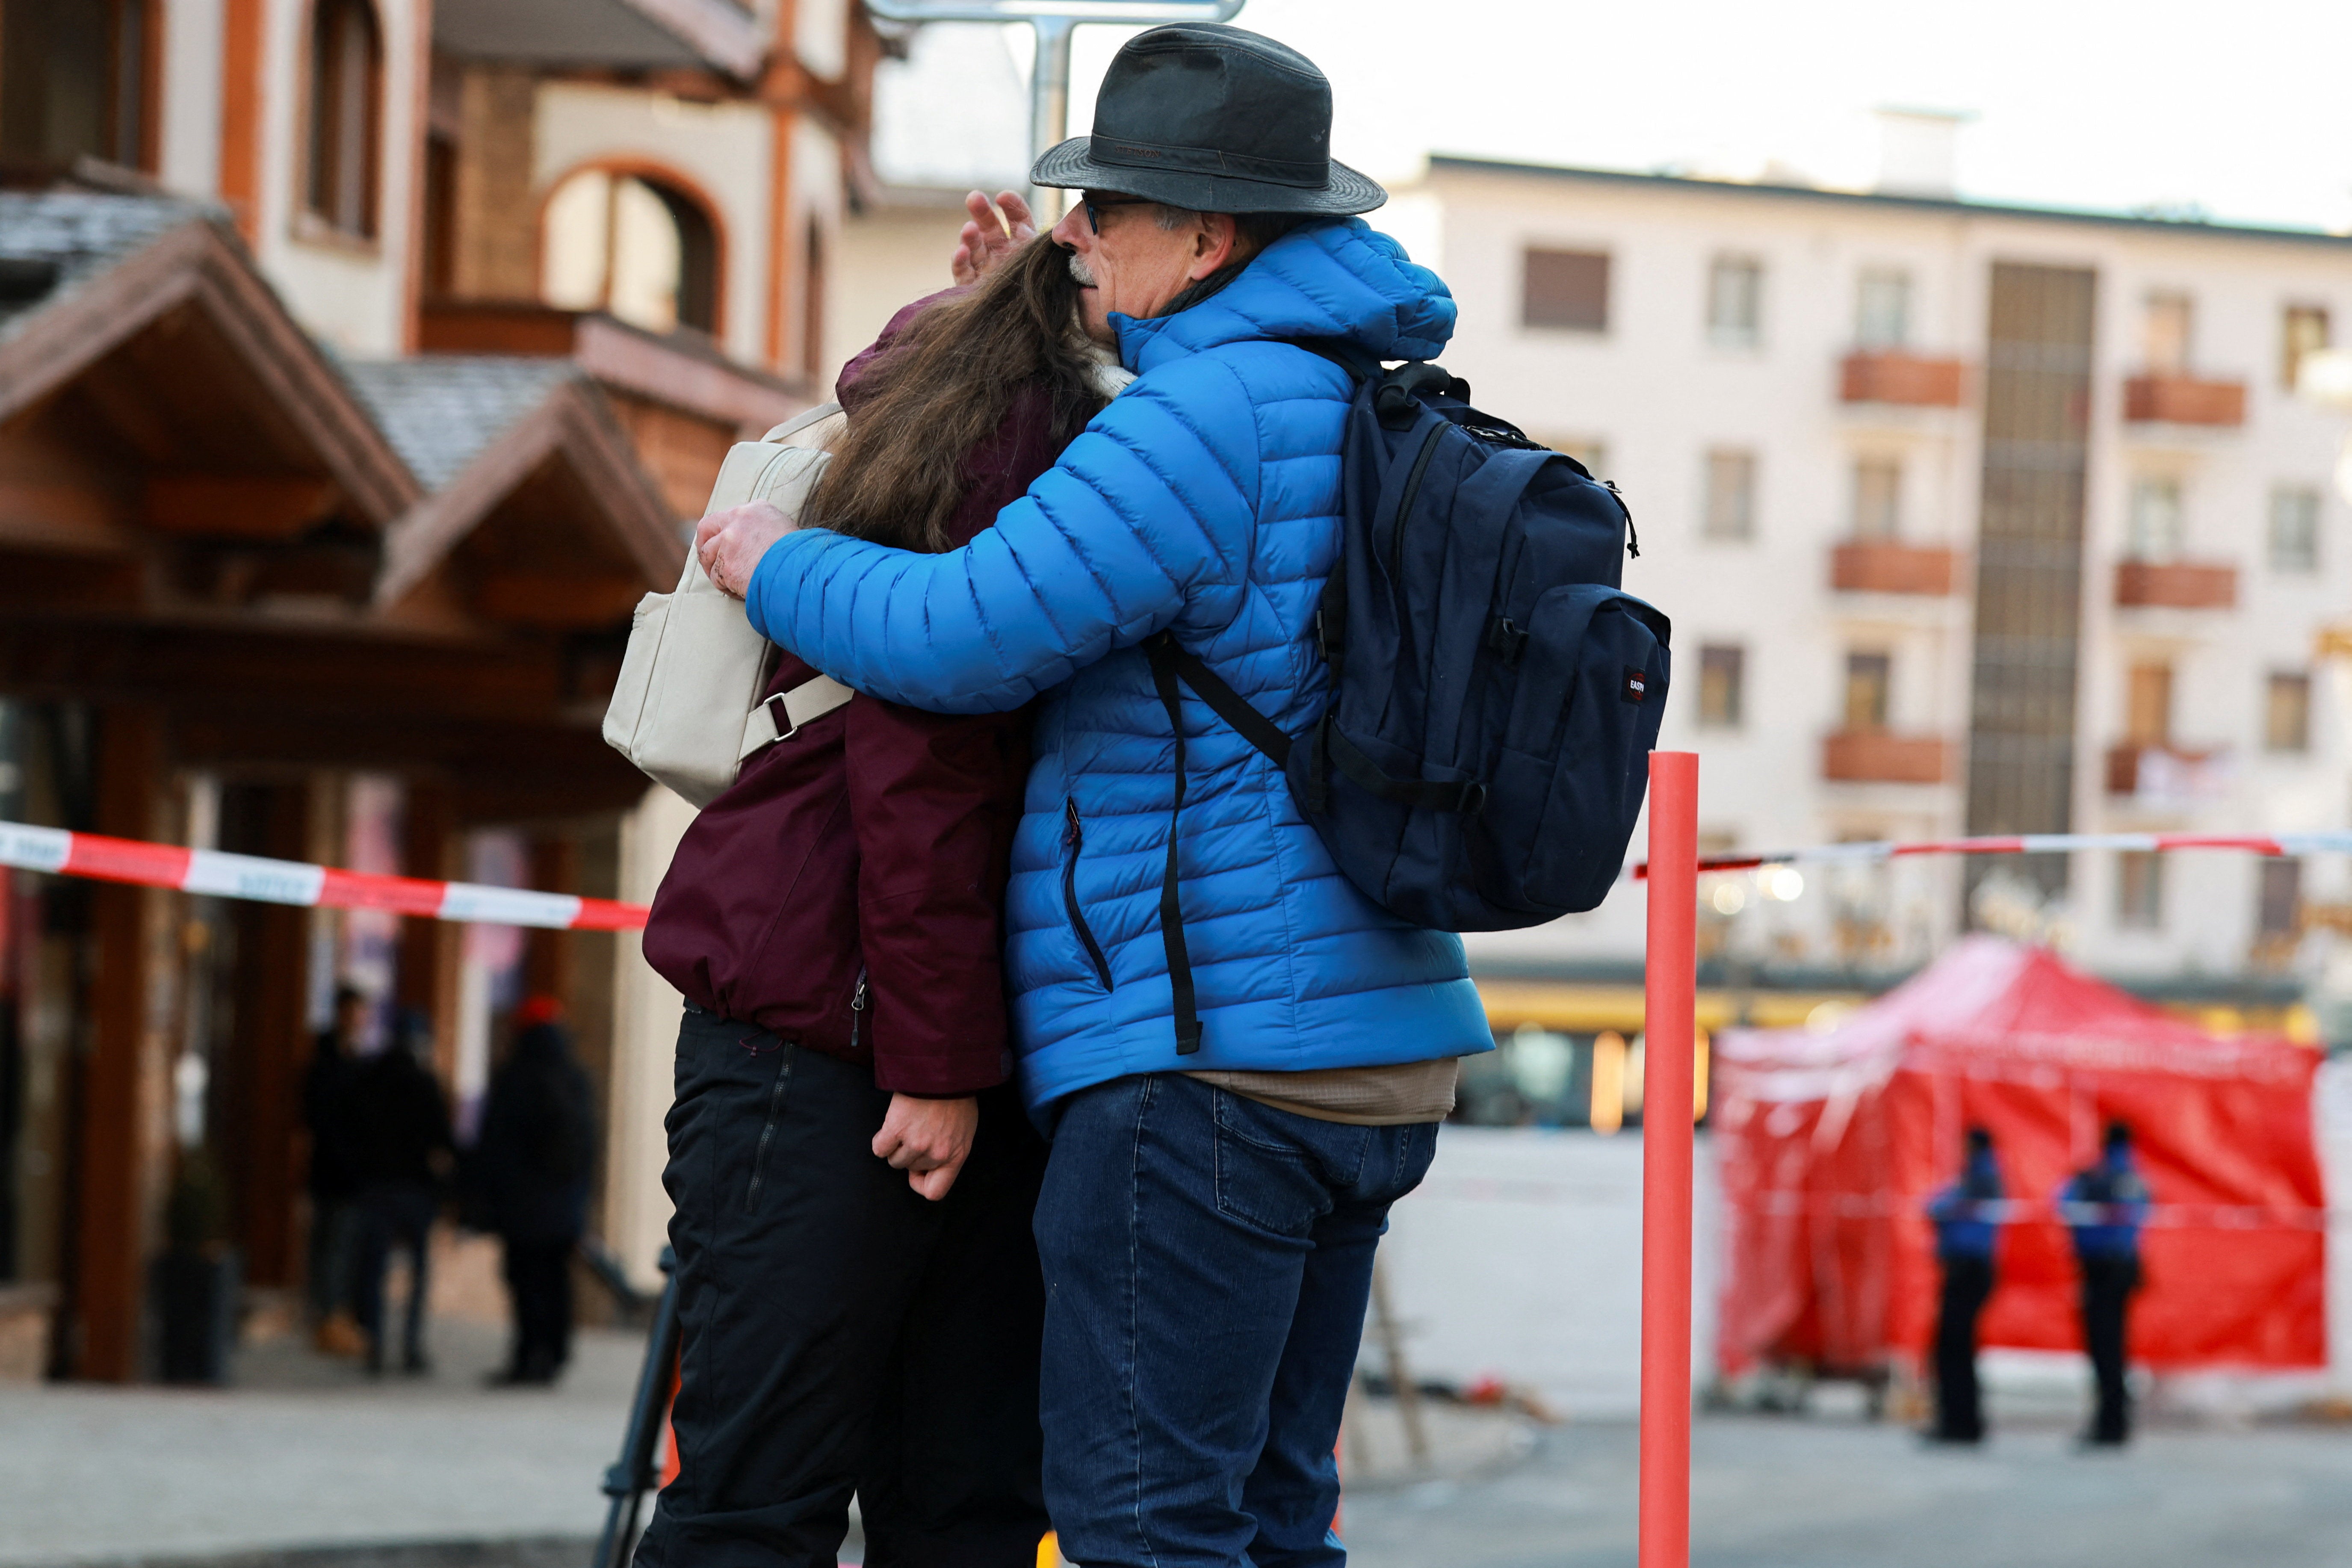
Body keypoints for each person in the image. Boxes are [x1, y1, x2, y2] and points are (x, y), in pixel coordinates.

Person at [698, 25, 1492, 1563]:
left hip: (1207, 1063)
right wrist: (1027, 307)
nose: (1080, 229)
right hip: (1377, 1048)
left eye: (1108, 209)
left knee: (1148, 1527)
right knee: (1274, 1515)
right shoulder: (1369, 394)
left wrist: (772, 561)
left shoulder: (1203, 423)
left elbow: (962, 632)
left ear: (1206, 238)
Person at [632, 234, 1113, 1568]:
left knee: (932, 1505)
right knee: (776, 1506)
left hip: (898, 1031)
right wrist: (939, 1063)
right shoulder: (1018, 422)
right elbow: (923, 763)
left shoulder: (1008, 390)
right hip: (840, 1035)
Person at [472, 996, 595, 1386]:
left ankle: (529, 1356)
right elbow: (591, 1146)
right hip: (564, 1206)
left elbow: (496, 1147)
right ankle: (554, 1353)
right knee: (556, 1280)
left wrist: (487, 1201)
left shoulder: (516, 1077)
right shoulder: (576, 1078)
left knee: (527, 1283)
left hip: (523, 1208)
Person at [348, 1007, 454, 1376]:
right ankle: (410, 1345)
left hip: (377, 1184)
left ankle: (374, 1342)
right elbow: (443, 1137)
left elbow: (354, 1131)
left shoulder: (370, 1078)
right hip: (414, 1186)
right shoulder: (425, 1082)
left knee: (373, 1267)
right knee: (417, 1271)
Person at [2062, 1120, 2151, 1447]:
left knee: (2104, 1348)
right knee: (2117, 1347)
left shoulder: (2095, 1179)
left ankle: (2109, 1423)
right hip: (2125, 1267)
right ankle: (2116, 1420)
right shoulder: (2136, 1178)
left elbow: (2064, 1202)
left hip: (2100, 1269)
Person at [1923, 1126, 2003, 1444]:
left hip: (1967, 1269)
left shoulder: (1980, 1179)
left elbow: (1938, 1207)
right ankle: (1961, 1420)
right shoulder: (1979, 1177)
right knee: (1958, 1347)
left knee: (1953, 1347)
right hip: (1969, 1269)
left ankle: (1960, 1421)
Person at [301, 981, 369, 1355]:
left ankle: (331, 1315)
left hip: (346, 1171)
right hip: (333, 1169)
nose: (357, 1020)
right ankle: (326, 1316)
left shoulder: (355, 1058)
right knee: (330, 1244)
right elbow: (319, 1115)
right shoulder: (327, 1060)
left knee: (338, 1244)